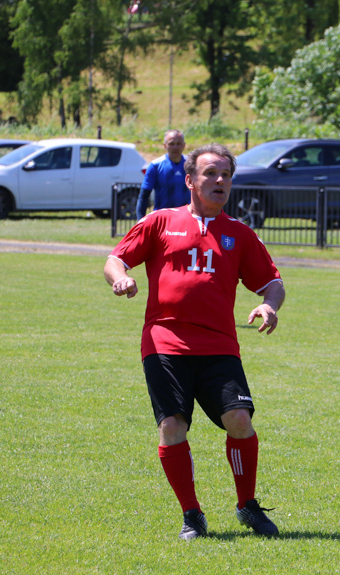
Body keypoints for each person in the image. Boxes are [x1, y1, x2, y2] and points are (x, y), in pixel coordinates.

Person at [105, 143, 285, 541]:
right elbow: (115, 258)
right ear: (190, 181)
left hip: (220, 346)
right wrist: (120, 277)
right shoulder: (160, 222)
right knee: (172, 425)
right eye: (210, 174)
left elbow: (272, 283)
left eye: (226, 175)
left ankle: (247, 505)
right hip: (165, 342)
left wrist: (270, 306)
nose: (220, 181)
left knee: (239, 420)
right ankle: (192, 515)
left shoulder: (239, 234)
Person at [135, 129, 190, 220]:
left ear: (184, 145)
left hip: (185, 219)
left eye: (178, 144)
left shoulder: (191, 165)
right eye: (171, 144)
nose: (175, 147)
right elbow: (143, 196)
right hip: (162, 219)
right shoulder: (155, 166)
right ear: (165, 145)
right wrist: (140, 221)